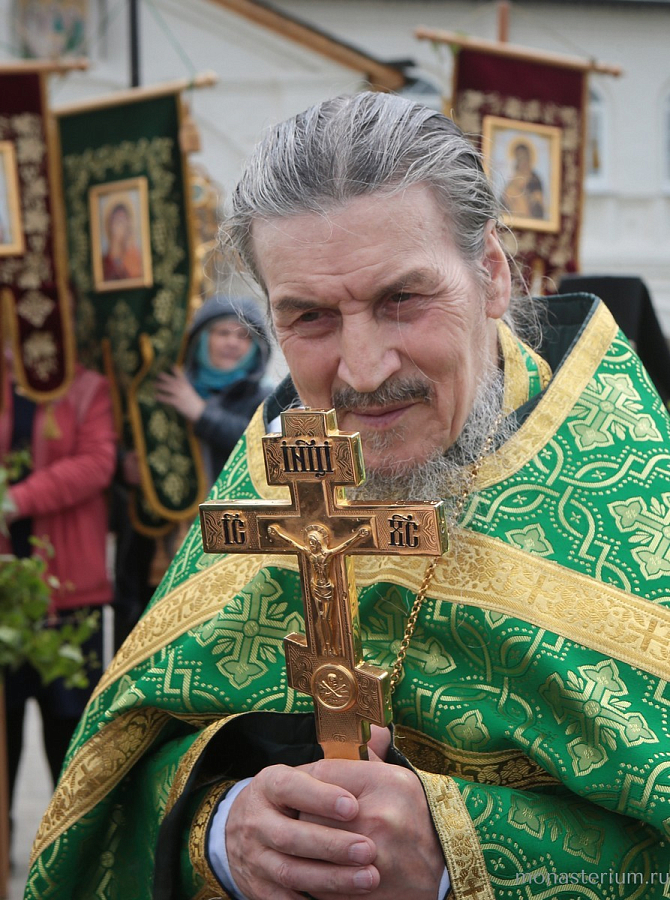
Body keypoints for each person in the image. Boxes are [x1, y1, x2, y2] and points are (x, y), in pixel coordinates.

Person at [25, 93, 670, 900]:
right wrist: (222, 832)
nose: (363, 371)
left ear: (493, 275)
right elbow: (119, 778)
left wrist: (463, 857)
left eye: (403, 299)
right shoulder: (270, 478)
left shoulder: (634, 491)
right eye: (310, 317)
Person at [0, 347, 116, 819]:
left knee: (70, 744)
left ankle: (66, 850)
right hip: (5, 595)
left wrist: (15, 501)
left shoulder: (86, 388)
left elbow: (97, 463)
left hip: (69, 595)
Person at [155, 294, 271, 486]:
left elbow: (263, 447)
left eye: (243, 336)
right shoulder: (173, 387)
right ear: (201, 338)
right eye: (223, 333)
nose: (232, 343)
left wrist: (201, 414)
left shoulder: (267, 397)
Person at [502, 139, 545, 220]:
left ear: (528, 158)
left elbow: (538, 202)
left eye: (524, 157)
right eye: (519, 157)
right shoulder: (514, 177)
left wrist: (526, 195)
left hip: (528, 214)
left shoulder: (535, 179)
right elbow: (503, 200)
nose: (522, 161)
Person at [101, 198, 143, 281]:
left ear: (128, 225)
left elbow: (135, 275)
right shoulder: (104, 260)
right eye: (116, 221)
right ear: (110, 225)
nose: (119, 226)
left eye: (122, 221)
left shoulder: (134, 254)